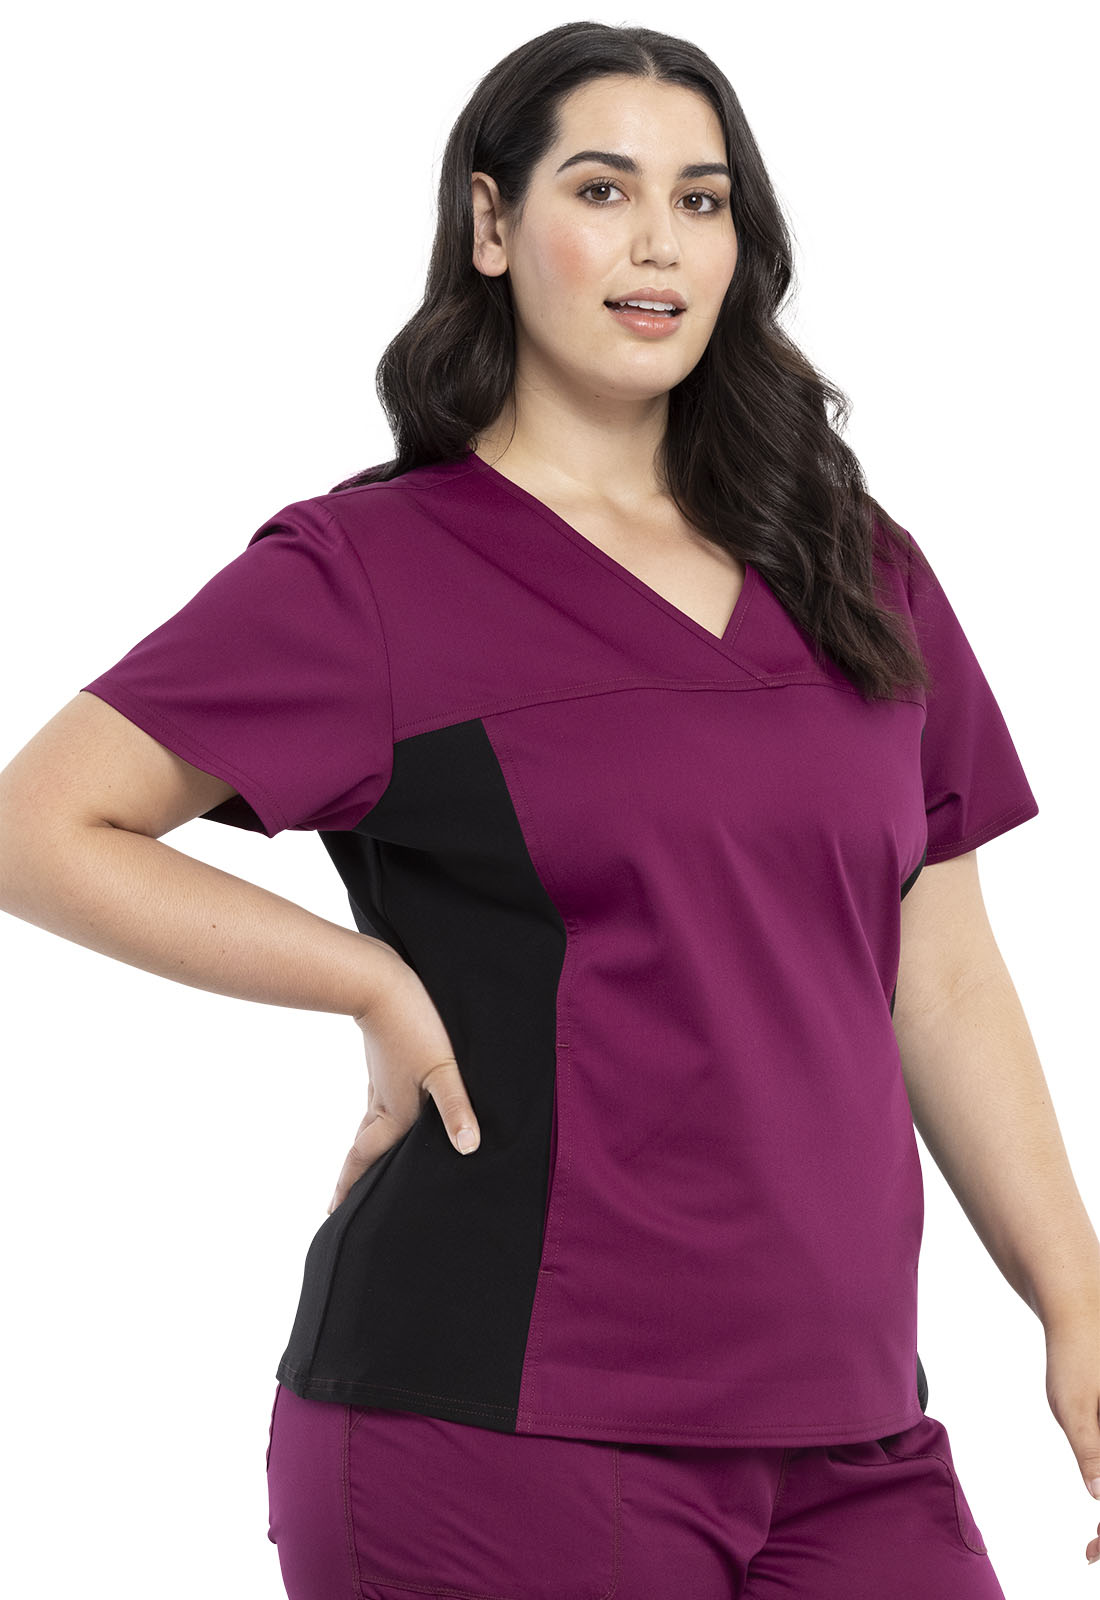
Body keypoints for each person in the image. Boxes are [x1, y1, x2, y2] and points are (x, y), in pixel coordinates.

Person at [0, 17, 1097, 1598]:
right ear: (492, 224)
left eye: (702, 201)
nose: (659, 243)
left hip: (855, 1433)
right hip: (495, 1430)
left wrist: (1077, 1303)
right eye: (603, 189)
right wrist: (364, 978)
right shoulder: (371, 573)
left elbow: (944, 970)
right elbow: (41, 823)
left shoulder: (857, 566)